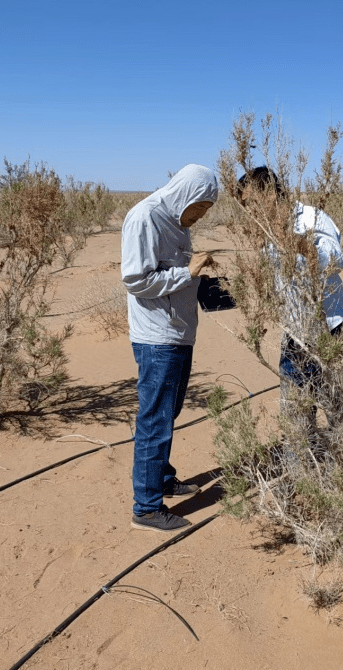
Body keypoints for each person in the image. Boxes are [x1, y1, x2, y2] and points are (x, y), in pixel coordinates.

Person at [121, 164, 218, 532]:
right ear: (184, 194)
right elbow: (135, 280)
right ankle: (146, 508)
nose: (200, 215)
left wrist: (200, 277)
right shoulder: (144, 217)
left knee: (167, 414)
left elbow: (173, 273)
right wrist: (187, 273)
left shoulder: (176, 222)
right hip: (156, 338)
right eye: (200, 206)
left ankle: (161, 479)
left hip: (178, 334)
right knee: (155, 420)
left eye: (206, 209)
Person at [236, 167, 343, 436]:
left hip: (330, 329)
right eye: (245, 207)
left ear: (269, 194)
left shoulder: (312, 218)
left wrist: (295, 242)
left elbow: (334, 263)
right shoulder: (264, 231)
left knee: (339, 413)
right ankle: (301, 474)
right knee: (296, 418)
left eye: (251, 203)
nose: (249, 212)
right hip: (294, 334)